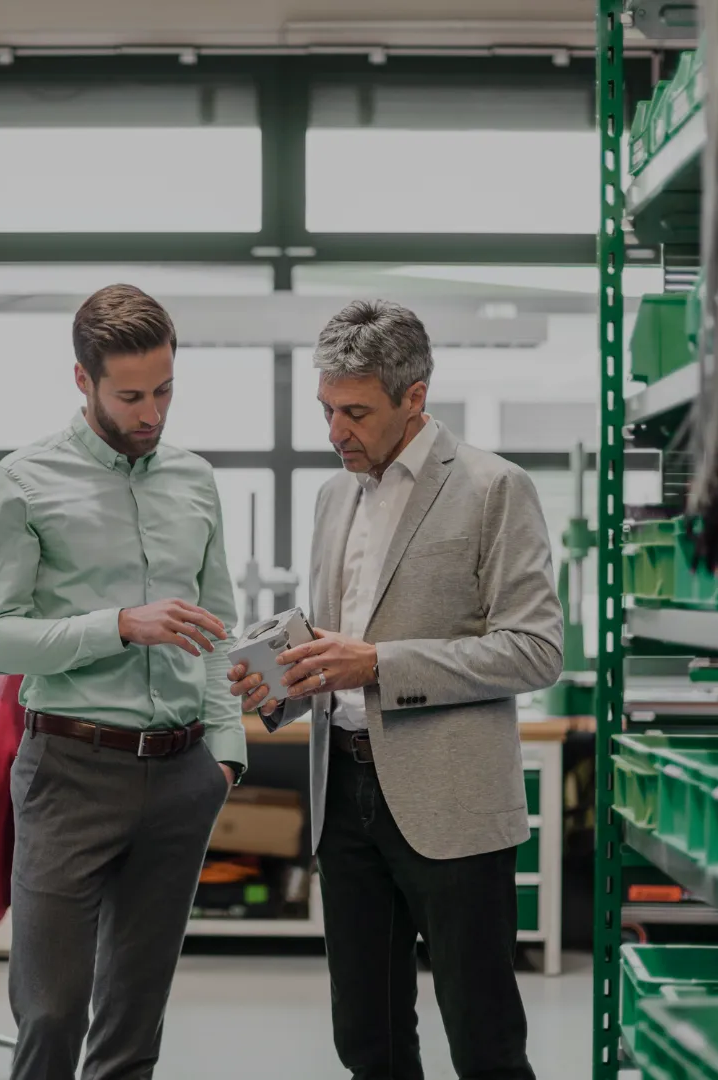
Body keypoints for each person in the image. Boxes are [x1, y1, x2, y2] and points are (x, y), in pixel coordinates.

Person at [229, 299, 563, 1080]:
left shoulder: (493, 488)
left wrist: (380, 664)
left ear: (415, 397)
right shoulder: (331, 496)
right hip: (342, 794)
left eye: (355, 412)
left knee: (484, 1041)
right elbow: (332, 633)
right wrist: (280, 678)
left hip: (450, 800)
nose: (336, 432)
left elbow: (536, 650)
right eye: (326, 410)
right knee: (368, 1039)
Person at [0, 283, 246, 1080]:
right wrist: (119, 624)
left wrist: (224, 753)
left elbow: (217, 627)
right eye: (130, 395)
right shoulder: (23, 481)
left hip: (184, 774)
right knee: (51, 1014)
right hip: (70, 771)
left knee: (133, 1025)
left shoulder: (194, 481)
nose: (151, 411)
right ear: (82, 381)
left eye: (164, 390)